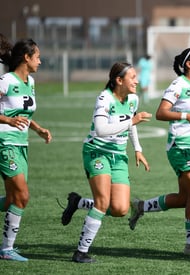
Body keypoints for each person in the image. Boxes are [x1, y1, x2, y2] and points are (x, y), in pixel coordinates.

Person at [128, 47, 190, 258]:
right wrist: (187, 116)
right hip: (180, 147)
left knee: (186, 198)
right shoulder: (178, 85)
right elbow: (161, 112)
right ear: (189, 64)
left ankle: (141, 206)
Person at [65, 62, 152, 263]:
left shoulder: (133, 99)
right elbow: (101, 129)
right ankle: (81, 252)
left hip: (119, 156)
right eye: (132, 77)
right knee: (103, 203)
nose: (137, 81)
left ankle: (78, 202)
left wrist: (138, 149)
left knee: (120, 209)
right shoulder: (104, 98)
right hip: (97, 152)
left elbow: (131, 125)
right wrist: (132, 121)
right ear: (118, 80)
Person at [0, 34, 52, 262]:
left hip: (22, 144)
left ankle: (7, 248)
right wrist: (7, 121)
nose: (40, 61)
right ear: (26, 57)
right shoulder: (6, 81)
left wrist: (38, 128)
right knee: (22, 195)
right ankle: (6, 249)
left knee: (13, 199)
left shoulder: (29, 83)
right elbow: (12, 117)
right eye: (37, 57)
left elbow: (23, 115)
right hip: (5, 143)